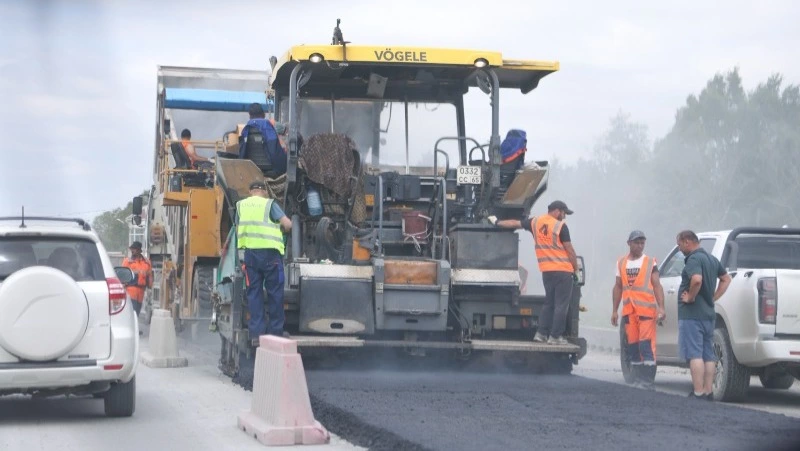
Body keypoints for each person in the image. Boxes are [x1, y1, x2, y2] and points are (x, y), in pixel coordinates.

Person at [489, 200, 580, 345]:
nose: (564, 216)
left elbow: (515, 223)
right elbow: (569, 250)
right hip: (563, 271)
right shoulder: (560, 226)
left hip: (547, 272)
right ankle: (555, 336)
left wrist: (497, 222)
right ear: (557, 211)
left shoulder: (535, 222)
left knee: (548, 303)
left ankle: (541, 334)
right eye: (564, 213)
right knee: (561, 306)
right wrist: (576, 270)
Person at [676, 230, 731, 400]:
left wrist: (691, 297)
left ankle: (698, 391)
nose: (679, 249)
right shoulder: (711, 259)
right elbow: (726, 279)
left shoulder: (693, 259)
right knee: (708, 354)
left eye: (679, 245)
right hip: (708, 314)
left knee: (695, 354)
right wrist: (713, 297)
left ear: (687, 241)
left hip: (692, 315)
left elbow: (697, 280)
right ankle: (708, 391)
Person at [236, 180, 293, 346]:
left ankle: (257, 334)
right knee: (275, 293)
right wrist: (284, 231)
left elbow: (238, 226)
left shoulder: (241, 205)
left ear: (250, 191)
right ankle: (275, 334)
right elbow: (287, 224)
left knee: (254, 293)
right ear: (264, 191)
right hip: (270, 256)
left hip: (251, 255)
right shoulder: (270, 205)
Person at [611, 230, 665, 390]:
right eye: (637, 243)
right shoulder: (621, 263)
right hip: (629, 312)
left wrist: (661, 307)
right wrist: (614, 310)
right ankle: (636, 378)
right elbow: (618, 286)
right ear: (629, 243)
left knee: (646, 345)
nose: (640, 246)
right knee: (633, 346)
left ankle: (647, 380)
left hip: (646, 311)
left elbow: (657, 285)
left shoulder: (649, 262)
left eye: (642, 243)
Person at [239, 103, 287, 176]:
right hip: (271, 170)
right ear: (263, 114)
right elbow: (274, 150)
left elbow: (242, 152)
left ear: (250, 116)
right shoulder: (269, 126)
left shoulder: (246, 130)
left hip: (251, 169)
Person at [122, 241, 153, 324]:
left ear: (139, 250)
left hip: (141, 291)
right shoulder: (127, 261)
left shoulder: (147, 262)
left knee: (137, 310)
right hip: (130, 289)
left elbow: (149, 276)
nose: (132, 251)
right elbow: (122, 276)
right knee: (133, 311)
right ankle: (132, 329)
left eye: (134, 249)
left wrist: (150, 287)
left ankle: (135, 328)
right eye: (131, 249)